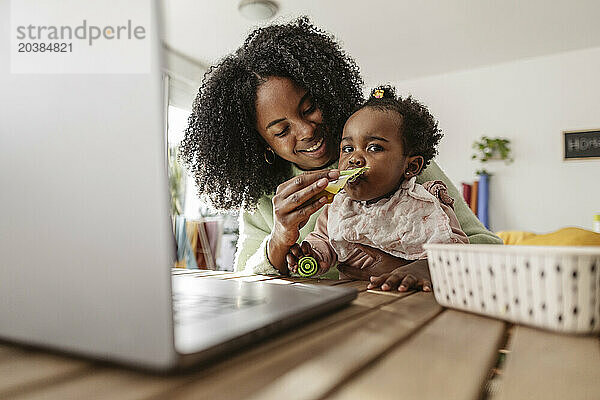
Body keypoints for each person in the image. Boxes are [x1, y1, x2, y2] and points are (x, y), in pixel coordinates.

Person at [180, 17, 502, 280]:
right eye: (281, 130)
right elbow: (244, 286)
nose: (306, 130)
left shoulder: (391, 160)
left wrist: (407, 266)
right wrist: (279, 239)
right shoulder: (264, 198)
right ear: (262, 145)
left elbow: (488, 250)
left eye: (309, 108)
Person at [287, 86, 468, 291]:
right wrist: (312, 255)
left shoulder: (426, 204)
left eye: (374, 147)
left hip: (417, 303)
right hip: (357, 304)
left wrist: (424, 268)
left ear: (411, 166)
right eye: (348, 149)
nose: (354, 158)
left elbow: (459, 256)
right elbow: (323, 241)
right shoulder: (338, 208)